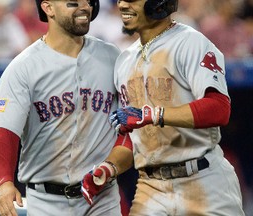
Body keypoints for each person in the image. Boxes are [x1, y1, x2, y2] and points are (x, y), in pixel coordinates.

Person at [81, 0, 246, 215]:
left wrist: (153, 114)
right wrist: (109, 167)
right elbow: (135, 134)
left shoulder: (190, 42)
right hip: (150, 188)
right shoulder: (124, 61)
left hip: (203, 180)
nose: (121, 5)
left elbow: (218, 109)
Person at [0, 0, 121, 215]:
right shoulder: (24, 66)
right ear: (48, 8)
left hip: (102, 198)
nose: (85, 7)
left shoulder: (113, 57)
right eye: (73, 2)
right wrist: (5, 182)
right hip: (47, 201)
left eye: (88, 1)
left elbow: (130, 122)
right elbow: (6, 130)